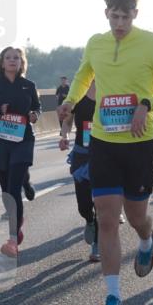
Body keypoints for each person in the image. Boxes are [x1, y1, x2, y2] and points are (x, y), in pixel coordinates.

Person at [58, 0, 153, 305]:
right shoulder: (95, 43)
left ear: (135, 15)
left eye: (125, 17)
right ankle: (113, 297)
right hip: (104, 140)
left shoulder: (152, 43)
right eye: (114, 16)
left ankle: (146, 239)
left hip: (140, 142)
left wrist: (147, 104)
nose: (119, 23)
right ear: (106, 14)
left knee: (137, 215)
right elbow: (85, 74)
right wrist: (71, 100)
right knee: (108, 218)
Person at [0, 46, 41, 258]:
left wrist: (34, 115)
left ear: (22, 63)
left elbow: (37, 108)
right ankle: (25, 182)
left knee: (13, 191)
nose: (12, 61)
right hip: (0, 142)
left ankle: (13, 240)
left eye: (16, 58)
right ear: (2, 62)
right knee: (6, 191)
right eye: (8, 58)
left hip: (23, 140)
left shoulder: (29, 85)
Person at [58, 82, 99, 261]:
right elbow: (67, 122)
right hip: (82, 155)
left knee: (102, 202)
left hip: (106, 154)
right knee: (84, 205)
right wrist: (65, 136)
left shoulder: (112, 90)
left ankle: (97, 243)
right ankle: (89, 220)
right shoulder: (78, 94)